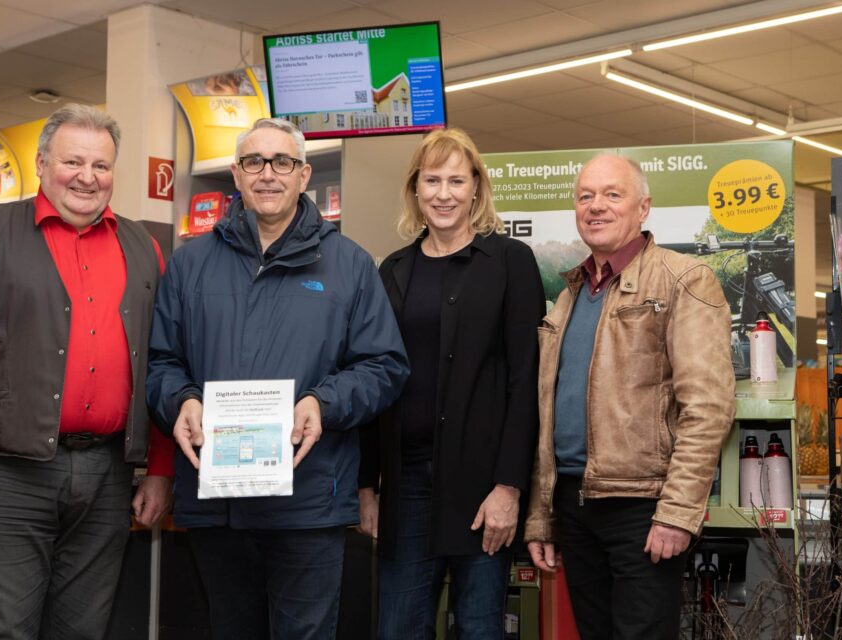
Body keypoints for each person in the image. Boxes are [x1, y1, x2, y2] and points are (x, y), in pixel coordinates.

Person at [146, 117, 409, 640]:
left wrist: (324, 402)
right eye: (253, 163)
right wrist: (182, 400)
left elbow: (385, 366)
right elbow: (161, 362)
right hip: (215, 503)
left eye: (282, 162)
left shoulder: (350, 265)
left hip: (308, 505)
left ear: (304, 174)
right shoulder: (189, 264)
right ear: (237, 177)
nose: (268, 174)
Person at [0, 103, 174, 639]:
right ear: (40, 164)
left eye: (101, 166)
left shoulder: (145, 248)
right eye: (72, 162)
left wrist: (159, 466)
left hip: (107, 476)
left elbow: (161, 362)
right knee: (2, 629)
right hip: (8, 477)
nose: (87, 177)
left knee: (84, 629)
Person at [524, 154, 735, 640]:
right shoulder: (569, 295)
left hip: (644, 510)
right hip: (575, 508)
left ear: (643, 208)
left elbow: (708, 406)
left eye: (612, 195)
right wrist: (542, 515)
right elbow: (546, 412)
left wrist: (678, 512)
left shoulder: (683, 278)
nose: (596, 206)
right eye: (585, 196)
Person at [357, 128, 546, 640]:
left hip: (481, 486)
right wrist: (367, 486)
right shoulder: (394, 270)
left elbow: (525, 380)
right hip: (406, 485)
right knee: (397, 628)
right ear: (415, 189)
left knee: (481, 626)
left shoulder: (510, 263)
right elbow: (377, 380)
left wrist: (509, 487)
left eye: (456, 180)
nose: (444, 193)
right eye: (432, 179)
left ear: (476, 189)